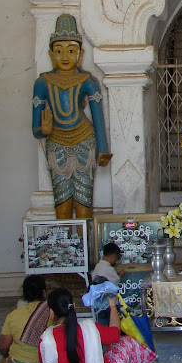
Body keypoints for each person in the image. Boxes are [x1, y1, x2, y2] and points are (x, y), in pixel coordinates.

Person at [32, 13, 112, 220]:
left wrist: (103, 149)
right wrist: (44, 130)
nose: (65, 56)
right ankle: (65, 248)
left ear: (80, 53)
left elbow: (97, 117)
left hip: (85, 140)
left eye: (71, 50)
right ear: (51, 55)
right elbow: (35, 127)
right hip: (56, 142)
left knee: (84, 201)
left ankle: (85, 247)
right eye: (59, 51)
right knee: (62, 202)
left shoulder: (87, 81)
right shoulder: (42, 83)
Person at [39, 288, 156, 363]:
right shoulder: (89, 327)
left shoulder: (46, 339)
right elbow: (115, 335)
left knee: (106, 353)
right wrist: (113, 307)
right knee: (126, 342)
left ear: (51, 312)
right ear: (73, 306)